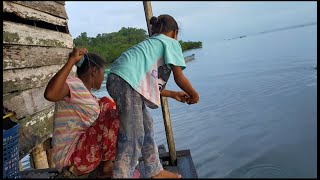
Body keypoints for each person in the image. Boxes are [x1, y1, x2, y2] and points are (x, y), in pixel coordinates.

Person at [106, 14, 199, 178]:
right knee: (134, 135)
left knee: (147, 125)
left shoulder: (150, 44)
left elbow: (144, 83)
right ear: (175, 32)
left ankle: (155, 170)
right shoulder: (171, 42)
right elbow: (179, 77)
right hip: (127, 82)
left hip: (120, 79)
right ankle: (122, 175)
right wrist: (194, 95)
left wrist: (172, 94)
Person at [44, 48, 119, 178]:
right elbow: (50, 94)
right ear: (94, 71)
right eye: (102, 72)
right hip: (71, 158)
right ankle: (106, 166)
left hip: (83, 152)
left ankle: (107, 161)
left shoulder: (91, 98)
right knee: (113, 116)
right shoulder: (73, 83)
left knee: (107, 103)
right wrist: (72, 60)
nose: (103, 77)